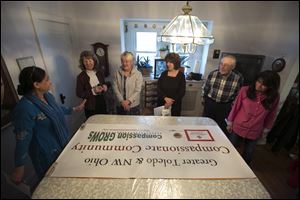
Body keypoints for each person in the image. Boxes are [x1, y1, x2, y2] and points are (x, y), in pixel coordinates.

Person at [10, 66, 85, 185]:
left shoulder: (48, 96)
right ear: (36, 84)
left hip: (63, 144)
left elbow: (57, 110)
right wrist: (19, 166)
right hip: (45, 154)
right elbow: (22, 138)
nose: (50, 82)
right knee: (53, 183)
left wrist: (74, 109)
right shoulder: (24, 108)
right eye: (47, 80)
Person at [226, 70, 280, 165]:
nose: (259, 85)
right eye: (258, 81)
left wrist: (265, 130)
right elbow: (235, 107)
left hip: (255, 129)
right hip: (238, 126)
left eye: (264, 85)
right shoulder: (244, 90)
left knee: (248, 154)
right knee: (229, 148)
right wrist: (230, 122)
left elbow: (271, 114)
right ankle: (226, 164)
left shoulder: (274, 97)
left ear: (271, 87)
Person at [203, 55, 243, 136]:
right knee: (206, 125)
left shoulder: (238, 78)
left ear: (232, 67)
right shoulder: (213, 74)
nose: (222, 67)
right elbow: (205, 89)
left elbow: (238, 94)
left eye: (226, 65)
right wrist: (205, 101)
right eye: (221, 64)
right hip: (210, 103)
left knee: (221, 128)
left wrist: (232, 106)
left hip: (225, 106)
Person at [76, 50, 108, 119]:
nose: (88, 63)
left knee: (104, 121)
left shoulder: (99, 72)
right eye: (85, 61)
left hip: (102, 101)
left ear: (94, 61)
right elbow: (79, 93)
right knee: (93, 123)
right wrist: (93, 91)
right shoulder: (81, 77)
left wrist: (105, 86)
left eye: (90, 60)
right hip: (90, 105)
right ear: (82, 63)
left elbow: (103, 83)